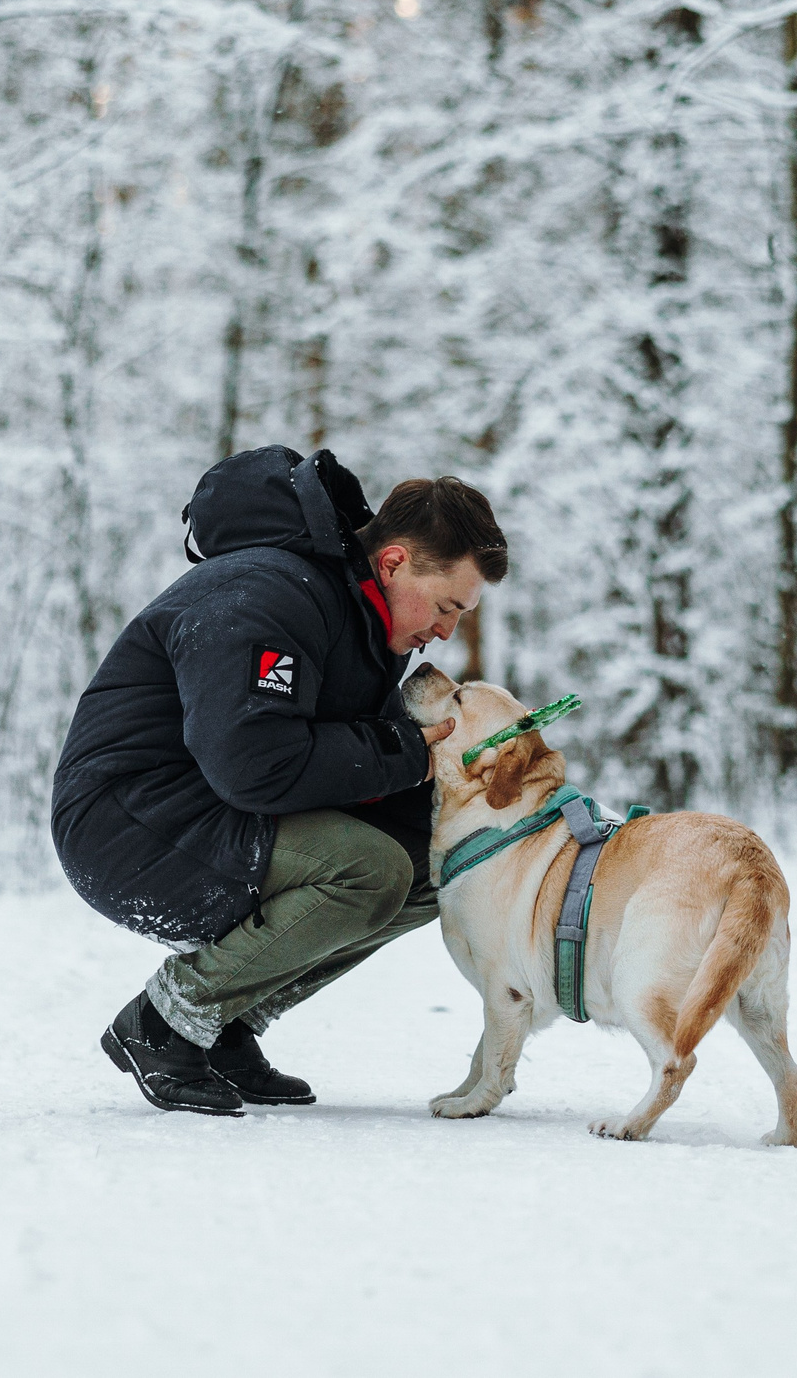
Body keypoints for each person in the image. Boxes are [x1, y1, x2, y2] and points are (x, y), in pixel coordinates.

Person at [50, 446, 509, 1115]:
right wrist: (403, 751)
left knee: (439, 862)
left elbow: (350, 753)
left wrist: (469, 783)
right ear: (392, 562)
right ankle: (167, 1020)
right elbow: (254, 763)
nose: (446, 630)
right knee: (372, 869)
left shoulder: (359, 615)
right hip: (128, 823)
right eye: (446, 605)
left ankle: (226, 1021)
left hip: (213, 813)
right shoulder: (267, 593)